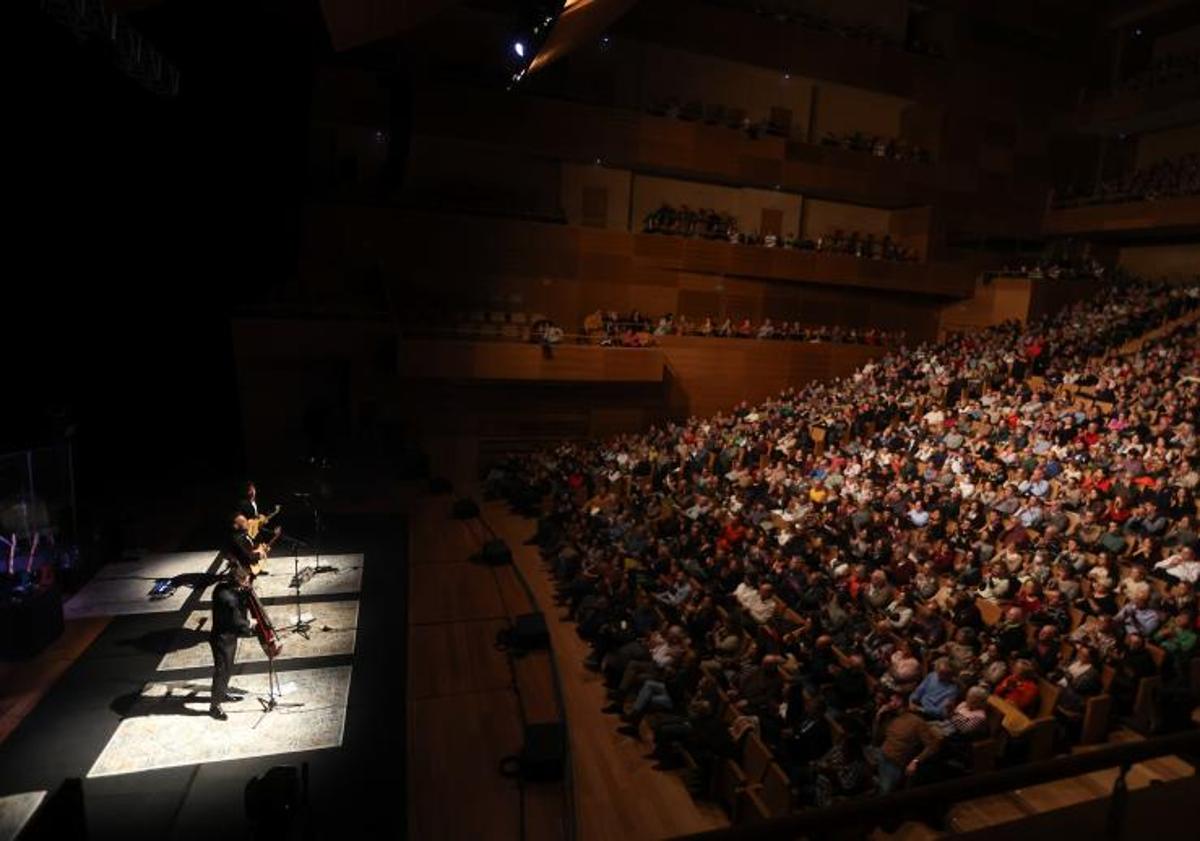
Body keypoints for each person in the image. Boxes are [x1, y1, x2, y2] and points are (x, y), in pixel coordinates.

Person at [209, 563, 256, 720]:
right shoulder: (229, 599)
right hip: (223, 639)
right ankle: (214, 706)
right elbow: (237, 621)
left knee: (228, 667)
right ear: (240, 582)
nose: (248, 584)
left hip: (226, 636)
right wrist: (250, 623)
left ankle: (222, 694)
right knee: (222, 670)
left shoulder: (220, 588)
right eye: (246, 581)